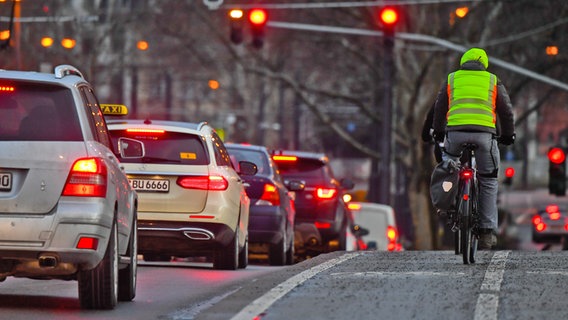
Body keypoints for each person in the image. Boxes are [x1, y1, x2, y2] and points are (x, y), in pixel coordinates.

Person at [432, 47, 516, 250]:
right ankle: (486, 232)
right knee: (488, 179)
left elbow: (440, 107)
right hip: (484, 136)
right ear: (484, 64)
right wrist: (508, 134)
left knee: (448, 169)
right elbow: (505, 111)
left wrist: (438, 131)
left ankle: (448, 205)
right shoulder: (492, 81)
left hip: (455, 134)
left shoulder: (452, 79)